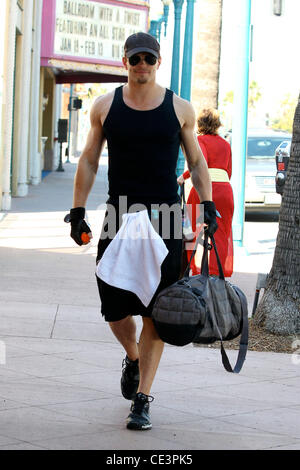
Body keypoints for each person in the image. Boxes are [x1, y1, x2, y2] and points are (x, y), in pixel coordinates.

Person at [68, 32, 218, 431]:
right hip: (119, 214)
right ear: (125, 61)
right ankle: (133, 359)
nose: (142, 65)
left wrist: (208, 203)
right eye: (135, 59)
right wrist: (78, 210)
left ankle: (142, 399)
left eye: (148, 59)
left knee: (158, 310)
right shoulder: (105, 106)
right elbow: (88, 160)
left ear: (158, 62)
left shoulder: (179, 108)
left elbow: (197, 161)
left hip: (166, 215)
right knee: (114, 308)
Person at [178, 108, 234, 277]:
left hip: (205, 189)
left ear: (200, 123)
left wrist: (183, 177)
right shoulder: (225, 143)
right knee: (222, 231)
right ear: (217, 124)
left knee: (193, 229)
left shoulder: (199, 140)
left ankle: (195, 270)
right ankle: (218, 272)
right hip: (225, 190)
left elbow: (198, 164)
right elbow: (228, 171)